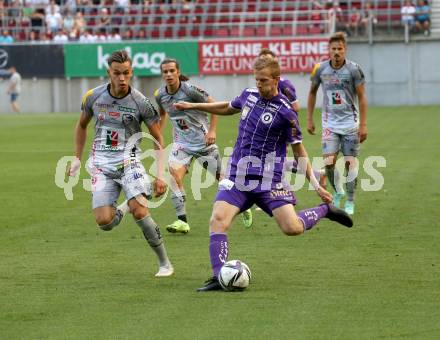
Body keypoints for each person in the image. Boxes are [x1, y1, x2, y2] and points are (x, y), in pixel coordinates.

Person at [174, 57, 353, 291]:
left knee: (292, 228)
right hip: (238, 176)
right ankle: (219, 276)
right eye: (257, 80)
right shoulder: (249, 95)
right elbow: (228, 107)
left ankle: (325, 211)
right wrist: (194, 106)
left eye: (264, 81)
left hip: (269, 181)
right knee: (218, 220)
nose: (259, 84)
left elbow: (299, 151)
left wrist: (315, 184)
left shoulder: (286, 113)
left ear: (277, 80)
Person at [69, 50, 174, 277]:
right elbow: (81, 126)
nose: (122, 78)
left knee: (140, 211)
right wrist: (77, 158)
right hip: (101, 165)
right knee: (105, 222)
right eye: (117, 73)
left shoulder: (141, 102)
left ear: (132, 72)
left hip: (130, 162)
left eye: (126, 73)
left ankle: (165, 263)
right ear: (109, 72)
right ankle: (127, 203)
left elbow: (158, 138)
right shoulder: (93, 97)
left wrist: (161, 174)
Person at [154, 58, 253, 233]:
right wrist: (158, 132)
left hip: (203, 143)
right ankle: (182, 221)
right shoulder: (160, 95)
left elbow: (214, 106)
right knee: (174, 176)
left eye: (171, 71)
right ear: (162, 74)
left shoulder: (191, 91)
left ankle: (244, 206)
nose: (168, 74)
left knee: (223, 181)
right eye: (165, 72)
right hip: (181, 144)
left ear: (178, 72)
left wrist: (212, 131)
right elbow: (163, 113)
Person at [306, 32, 367, 216]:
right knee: (329, 162)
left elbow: (362, 98)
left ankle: (350, 199)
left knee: (350, 163)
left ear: (345, 49)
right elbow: (312, 93)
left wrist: (363, 125)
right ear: (329, 50)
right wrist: (309, 118)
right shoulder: (320, 69)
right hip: (330, 124)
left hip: (350, 125)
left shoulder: (354, 69)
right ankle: (338, 190)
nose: (337, 52)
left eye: (340, 49)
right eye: (333, 49)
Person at [257, 49, 326, 189]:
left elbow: (296, 107)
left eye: (268, 60)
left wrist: (282, 123)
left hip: (281, 130)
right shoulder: (261, 82)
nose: (264, 63)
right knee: (274, 163)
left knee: (274, 163)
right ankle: (317, 175)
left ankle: (282, 195)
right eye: (262, 59)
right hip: (268, 129)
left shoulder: (284, 84)